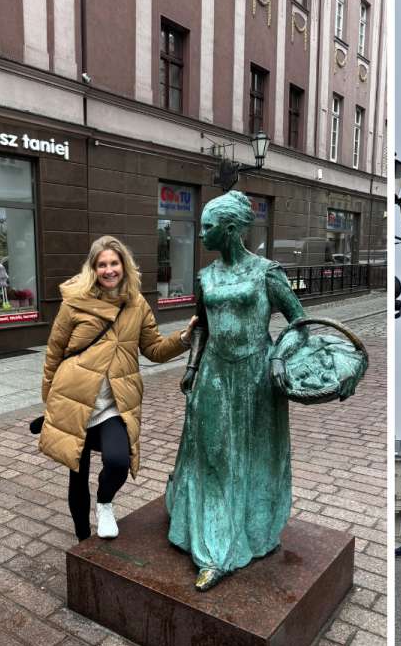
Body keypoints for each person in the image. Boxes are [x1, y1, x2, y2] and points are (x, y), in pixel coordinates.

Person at [166, 191, 350, 592]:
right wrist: (192, 367)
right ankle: (214, 548)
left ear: (230, 230)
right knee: (214, 456)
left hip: (257, 378)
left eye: (208, 228)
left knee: (253, 458)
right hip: (214, 374)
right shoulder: (207, 276)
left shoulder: (266, 272)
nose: (202, 235)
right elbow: (202, 326)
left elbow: (299, 321)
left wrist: (279, 358)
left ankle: (250, 532)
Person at [39, 236, 194, 541]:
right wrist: (50, 403)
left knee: (118, 462)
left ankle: (105, 503)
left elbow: (154, 348)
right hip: (74, 399)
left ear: (124, 265)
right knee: (77, 473)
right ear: (93, 269)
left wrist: (184, 338)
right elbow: (54, 352)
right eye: (102, 264)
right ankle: (83, 540)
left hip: (112, 406)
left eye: (114, 263)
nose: (109, 270)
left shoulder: (136, 305)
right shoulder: (74, 302)